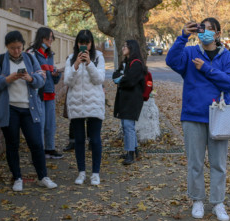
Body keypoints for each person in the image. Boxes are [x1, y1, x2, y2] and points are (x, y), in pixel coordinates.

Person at [166, 18, 230, 221]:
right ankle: (197, 199)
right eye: (201, 29)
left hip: (219, 116)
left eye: (209, 29)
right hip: (193, 115)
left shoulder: (226, 56)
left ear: (217, 34)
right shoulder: (190, 53)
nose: (204, 32)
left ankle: (217, 202)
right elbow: (171, 61)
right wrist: (183, 36)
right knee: (195, 163)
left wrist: (207, 68)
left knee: (218, 163)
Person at [0, 30, 58, 192]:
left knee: (36, 143)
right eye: (13, 48)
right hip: (9, 109)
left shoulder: (30, 58)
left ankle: (43, 177)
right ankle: (17, 177)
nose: (16, 51)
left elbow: (42, 78)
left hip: (29, 109)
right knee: (12, 144)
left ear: (23, 46)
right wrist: (7, 79)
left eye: (19, 47)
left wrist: (30, 78)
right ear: (7, 47)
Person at [64, 30, 105, 186]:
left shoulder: (98, 57)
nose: (84, 46)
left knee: (95, 139)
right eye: (81, 43)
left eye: (87, 43)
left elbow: (99, 80)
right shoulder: (70, 58)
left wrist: (89, 64)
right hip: (76, 103)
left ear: (91, 43)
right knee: (79, 140)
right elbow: (68, 82)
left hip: (94, 102)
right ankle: (81, 172)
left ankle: (95, 173)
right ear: (77, 43)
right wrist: (75, 64)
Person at [28, 27, 63, 159]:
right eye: (49, 37)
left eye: (52, 37)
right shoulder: (32, 53)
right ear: (42, 37)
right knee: (40, 124)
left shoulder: (50, 54)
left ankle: (50, 149)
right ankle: (39, 152)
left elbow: (54, 79)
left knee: (50, 124)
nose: (51, 40)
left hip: (50, 92)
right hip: (38, 93)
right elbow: (30, 74)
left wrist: (56, 74)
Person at [113, 39, 147, 165]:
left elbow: (130, 81)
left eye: (125, 46)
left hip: (132, 100)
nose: (123, 48)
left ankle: (130, 154)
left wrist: (121, 79)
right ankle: (134, 149)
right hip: (125, 99)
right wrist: (121, 78)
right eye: (123, 46)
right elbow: (115, 75)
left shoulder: (136, 63)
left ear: (132, 48)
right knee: (126, 125)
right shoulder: (125, 62)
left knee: (128, 126)